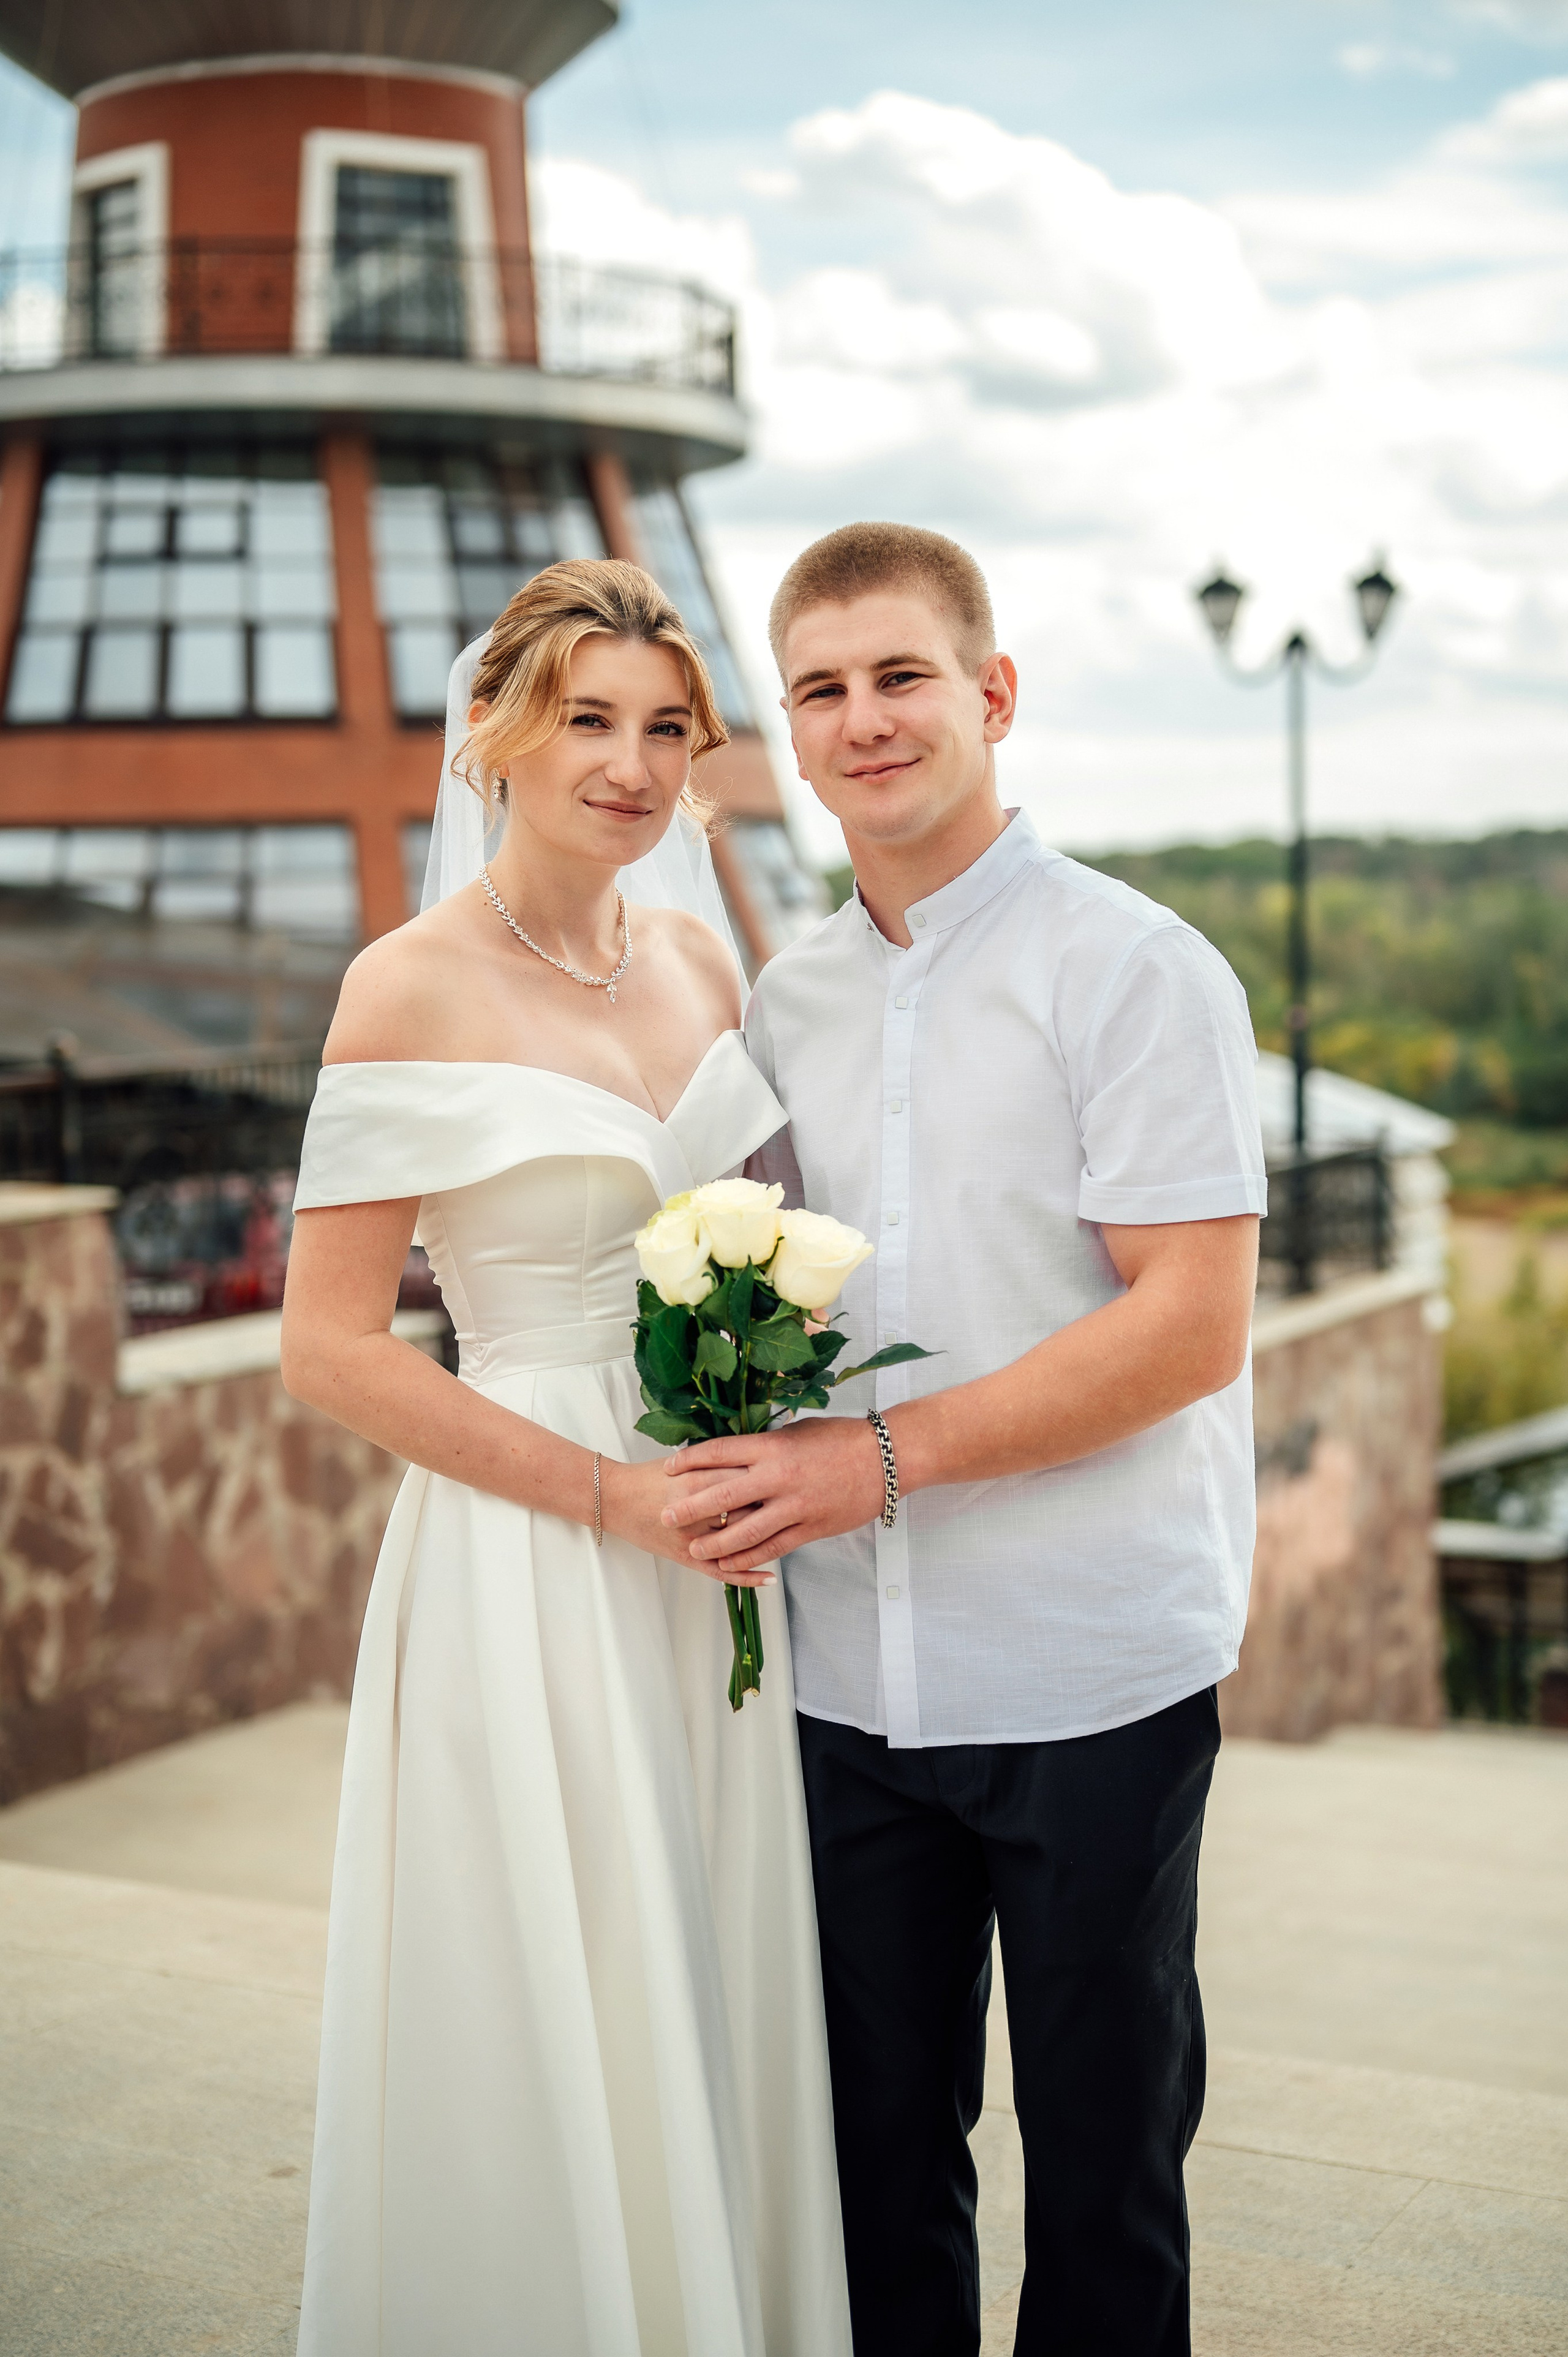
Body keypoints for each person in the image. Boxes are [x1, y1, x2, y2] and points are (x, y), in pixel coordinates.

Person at [663, 523, 1267, 2357]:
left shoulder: (1139, 970)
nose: (865, 720)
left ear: (992, 695)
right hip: (846, 1689)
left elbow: (1189, 1324)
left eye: (901, 675)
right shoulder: (782, 1006)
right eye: (823, 690)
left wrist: (879, 1461)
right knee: (870, 2183)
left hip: (1088, 1676)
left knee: (1101, 2187)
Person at [281, 559, 851, 2357]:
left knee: (703, 1945)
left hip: (711, 1527)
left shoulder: (694, 953)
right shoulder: (405, 985)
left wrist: (756, 1409)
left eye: (667, 727)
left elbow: (759, 1223)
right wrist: (604, 1491)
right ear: (496, 737)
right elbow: (329, 1345)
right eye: (590, 720)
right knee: (551, 1962)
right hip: (536, 1536)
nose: (632, 763)